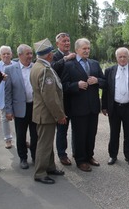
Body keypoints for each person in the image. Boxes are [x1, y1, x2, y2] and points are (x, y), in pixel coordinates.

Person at [61, 38, 105, 172]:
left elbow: (105, 82)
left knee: (91, 133)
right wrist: (76, 85)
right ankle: (80, 160)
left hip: (93, 106)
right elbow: (63, 86)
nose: (87, 51)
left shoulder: (95, 64)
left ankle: (89, 156)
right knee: (79, 134)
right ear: (77, 50)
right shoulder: (69, 65)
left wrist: (97, 80)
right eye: (84, 48)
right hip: (77, 107)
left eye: (88, 48)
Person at [30, 38, 67, 184]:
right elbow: (50, 97)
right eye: (51, 52)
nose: (52, 54)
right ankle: (40, 173)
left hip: (42, 113)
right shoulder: (44, 70)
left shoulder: (37, 66)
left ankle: (50, 167)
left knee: (47, 142)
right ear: (49, 55)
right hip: (46, 114)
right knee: (44, 144)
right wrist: (60, 115)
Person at [102, 47, 129, 166]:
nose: (122, 59)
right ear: (116, 58)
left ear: (128, 57)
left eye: (124, 56)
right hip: (114, 107)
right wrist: (104, 106)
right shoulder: (109, 70)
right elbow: (106, 90)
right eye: (120, 57)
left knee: (128, 133)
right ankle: (112, 155)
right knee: (114, 133)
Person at [4, 44, 38, 169]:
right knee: (21, 134)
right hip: (20, 108)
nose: (30, 56)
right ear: (19, 55)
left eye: (31, 53)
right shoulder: (10, 70)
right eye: (27, 54)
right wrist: (8, 110)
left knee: (35, 134)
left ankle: (35, 156)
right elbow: (8, 93)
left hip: (35, 107)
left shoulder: (36, 67)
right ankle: (23, 158)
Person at [52, 32, 76, 166]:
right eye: (64, 41)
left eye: (68, 40)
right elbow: (52, 68)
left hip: (74, 97)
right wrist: (65, 59)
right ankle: (62, 154)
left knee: (76, 128)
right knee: (62, 129)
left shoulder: (74, 55)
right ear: (57, 44)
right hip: (61, 100)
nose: (67, 43)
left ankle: (76, 152)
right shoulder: (54, 56)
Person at [0, 46, 14, 149]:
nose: (6, 55)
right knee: (4, 118)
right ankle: (8, 139)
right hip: (2, 95)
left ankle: (22, 139)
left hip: (15, 96)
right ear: (0, 56)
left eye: (8, 53)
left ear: (11, 54)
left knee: (20, 119)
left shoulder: (16, 65)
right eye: (4, 54)